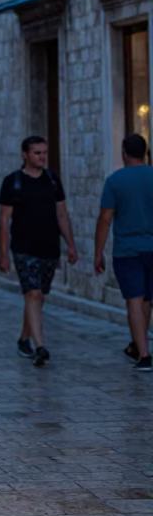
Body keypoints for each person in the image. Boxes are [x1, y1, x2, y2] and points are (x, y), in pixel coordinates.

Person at [0, 135, 77, 367]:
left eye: (44, 153)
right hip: (24, 248)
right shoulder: (12, 182)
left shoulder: (53, 180)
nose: (42, 157)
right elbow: (4, 220)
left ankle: (24, 339)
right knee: (33, 294)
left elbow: (62, 214)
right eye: (37, 153)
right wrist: (3, 254)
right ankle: (40, 347)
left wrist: (71, 244)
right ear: (25, 155)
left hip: (49, 248)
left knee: (38, 296)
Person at [95, 133, 153, 372]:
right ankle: (138, 346)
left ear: (124, 154)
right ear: (145, 153)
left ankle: (144, 354)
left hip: (127, 250)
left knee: (134, 300)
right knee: (147, 299)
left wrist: (98, 252)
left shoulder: (115, 181)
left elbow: (105, 219)